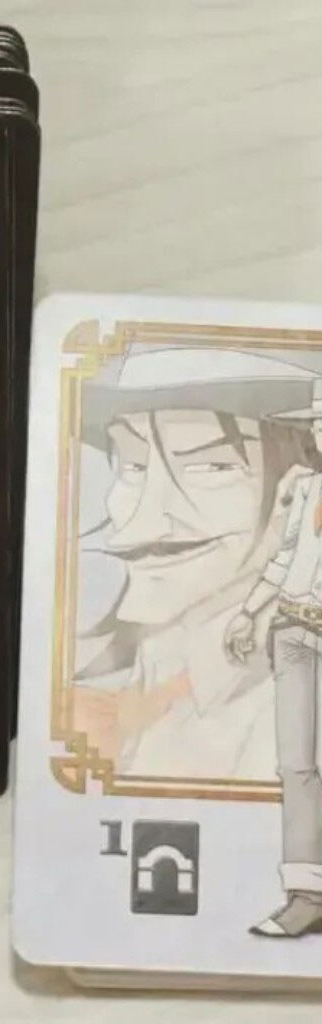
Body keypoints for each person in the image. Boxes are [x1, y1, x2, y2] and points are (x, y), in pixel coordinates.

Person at [71, 347, 321, 780]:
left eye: (210, 465)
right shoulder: (152, 662)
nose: (142, 519)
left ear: (296, 486)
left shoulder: (290, 709)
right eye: (133, 464)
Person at [224, 378, 322, 938]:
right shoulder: (306, 488)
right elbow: (286, 557)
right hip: (292, 631)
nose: (321, 432)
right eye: (318, 424)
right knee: (296, 765)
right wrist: (248, 612)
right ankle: (306, 895)